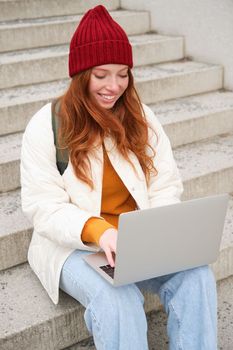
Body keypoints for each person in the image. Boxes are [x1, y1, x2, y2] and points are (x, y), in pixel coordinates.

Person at [20, 5, 217, 350]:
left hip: (137, 239)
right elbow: (43, 207)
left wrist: (155, 231)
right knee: (118, 298)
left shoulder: (141, 117)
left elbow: (165, 182)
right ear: (81, 74)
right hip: (74, 246)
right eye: (101, 75)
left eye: (123, 74)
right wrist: (100, 231)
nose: (114, 86)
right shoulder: (46, 124)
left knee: (196, 275)